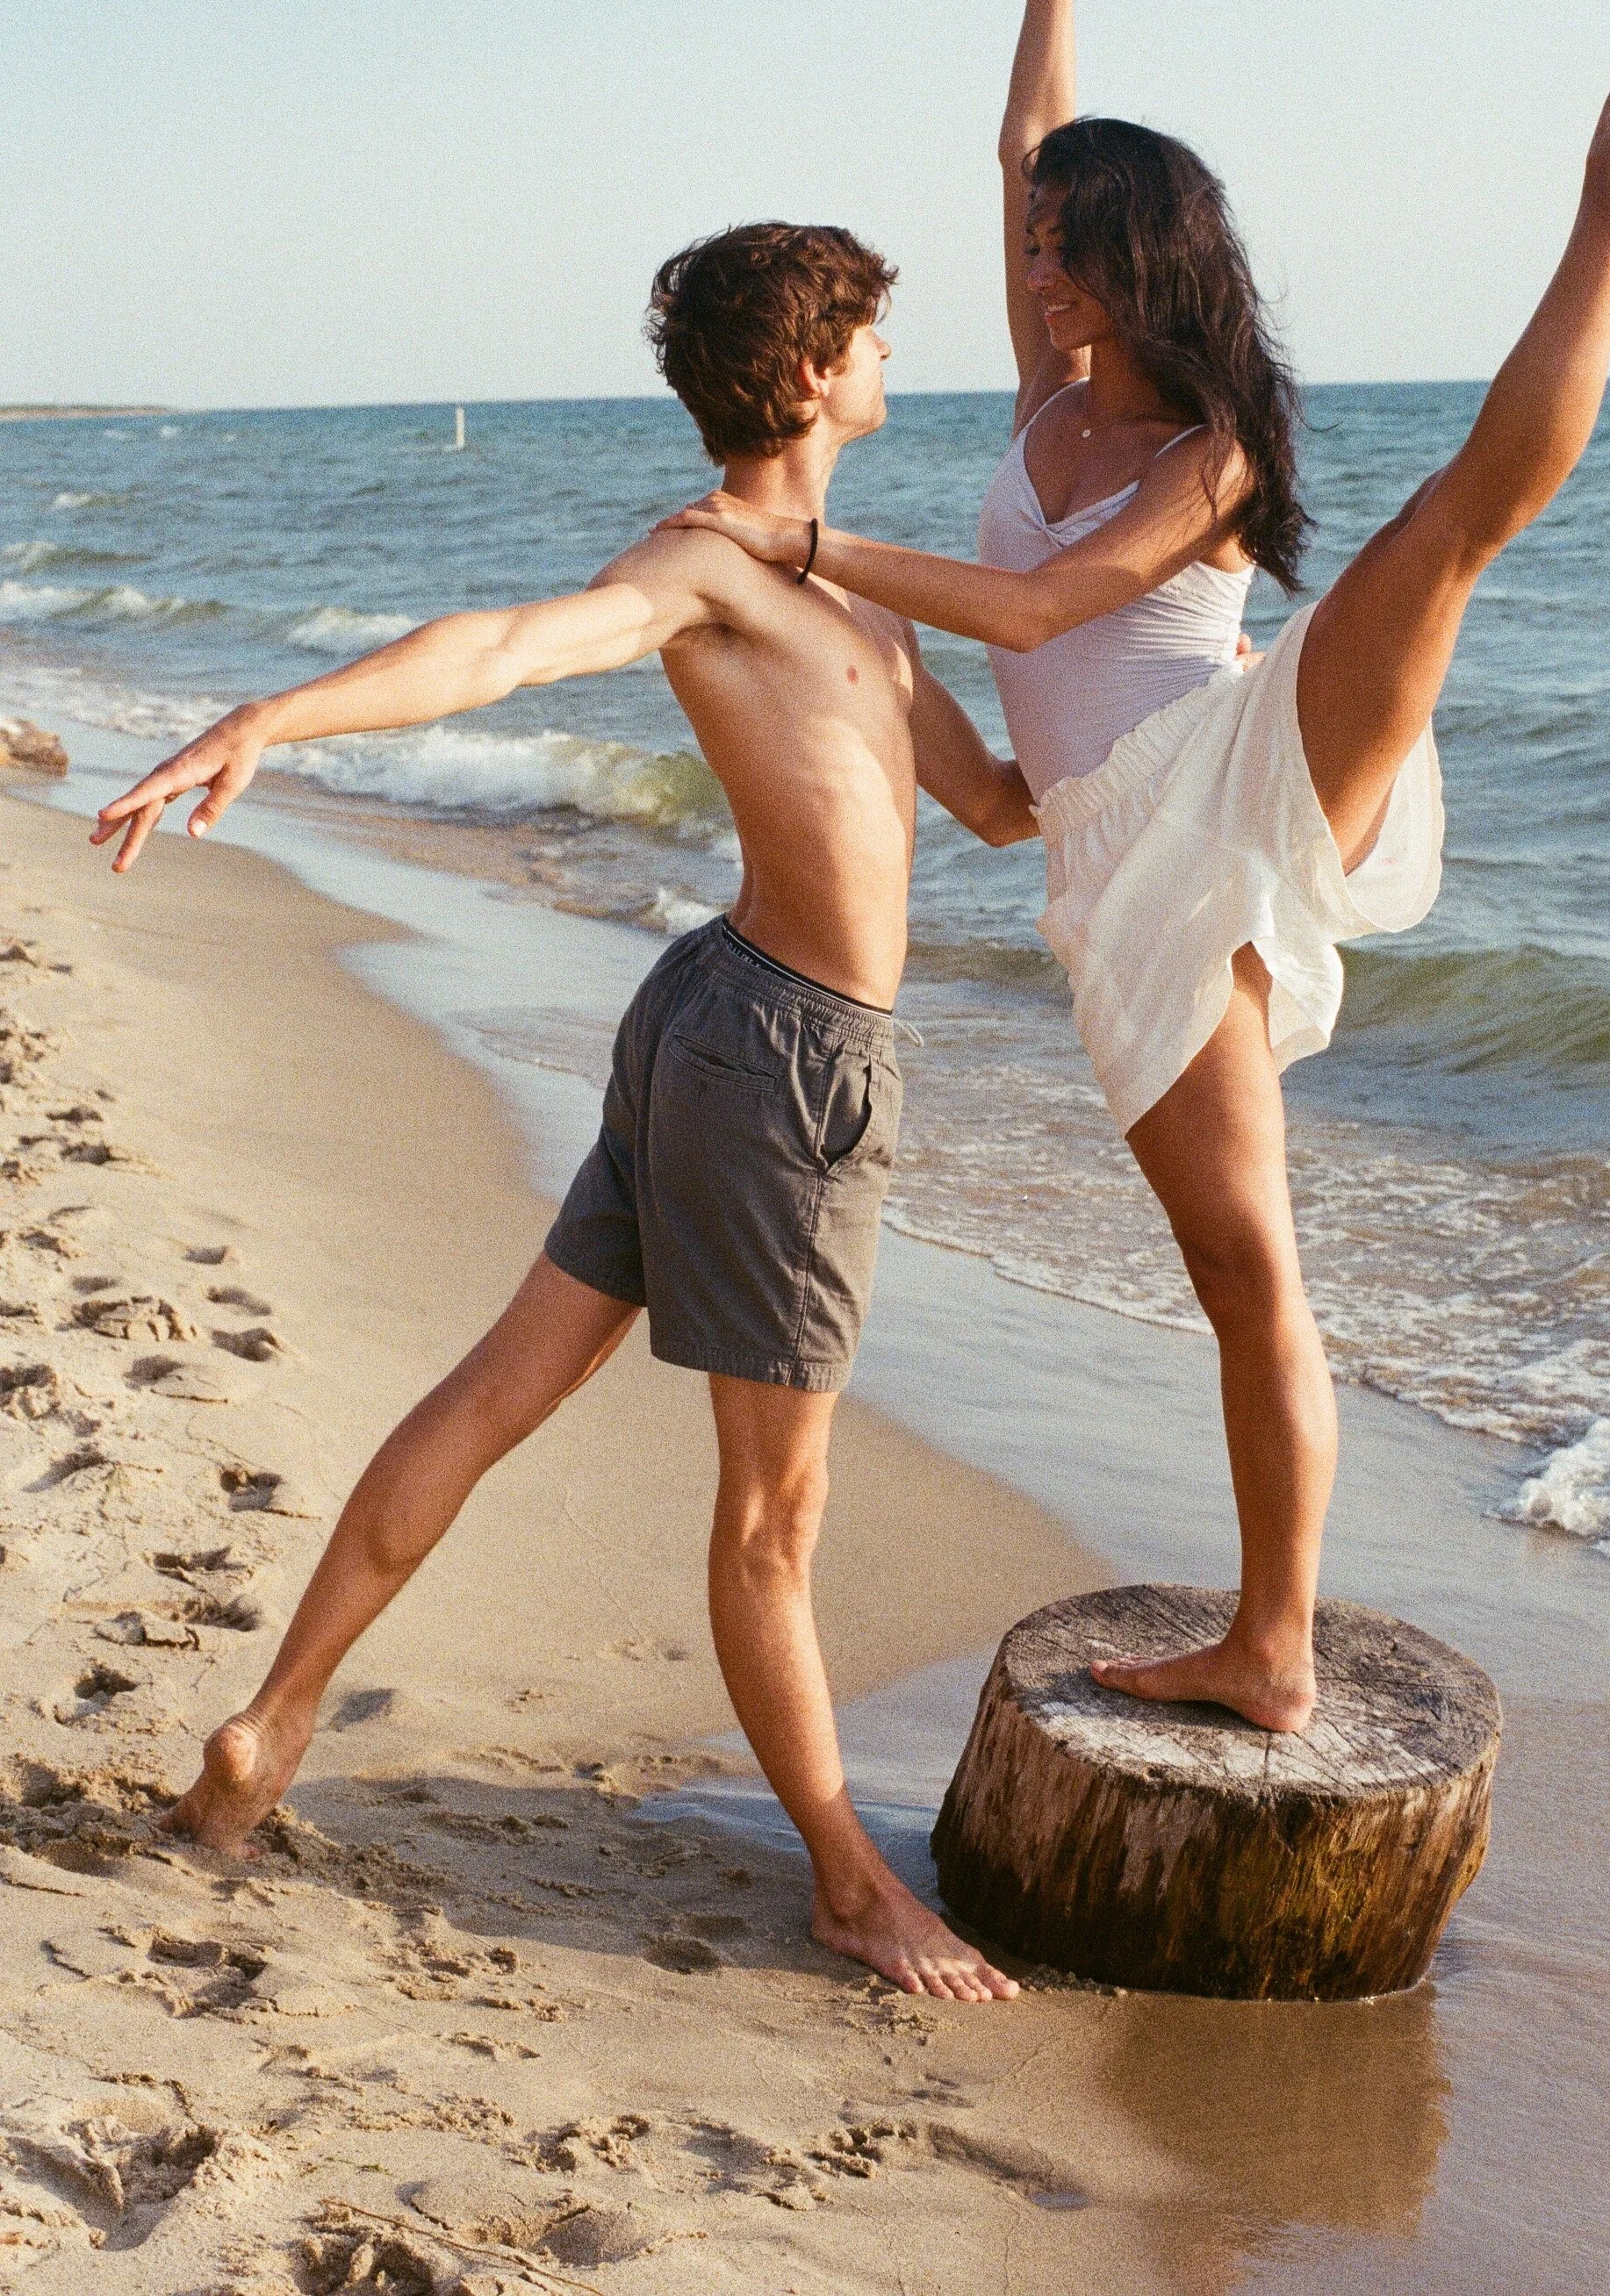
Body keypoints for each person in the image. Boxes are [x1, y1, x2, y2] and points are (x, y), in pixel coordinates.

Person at [665, 0, 1610, 1738]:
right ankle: (1268, 1628)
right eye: (1033, 245)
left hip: (1237, 771)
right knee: (1240, 1264)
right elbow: (1026, 158)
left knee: (1453, 519)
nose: (1032, 260)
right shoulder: (1049, 386)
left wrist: (804, 550)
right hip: (1109, 866)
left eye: (1063, 246)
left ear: (1135, 260)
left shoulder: (1214, 445)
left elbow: (1044, 599)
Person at [90, 220, 1038, 2000]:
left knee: (506, 1383)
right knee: (773, 1512)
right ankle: (846, 1877)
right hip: (779, 1058)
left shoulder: (846, 586)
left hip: (724, 1013)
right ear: (817, 371)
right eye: (877, 337)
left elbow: (996, 802)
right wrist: (270, 719)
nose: (898, 360)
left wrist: (1193, 697)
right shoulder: (705, 565)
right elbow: (508, 647)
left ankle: (267, 1733)